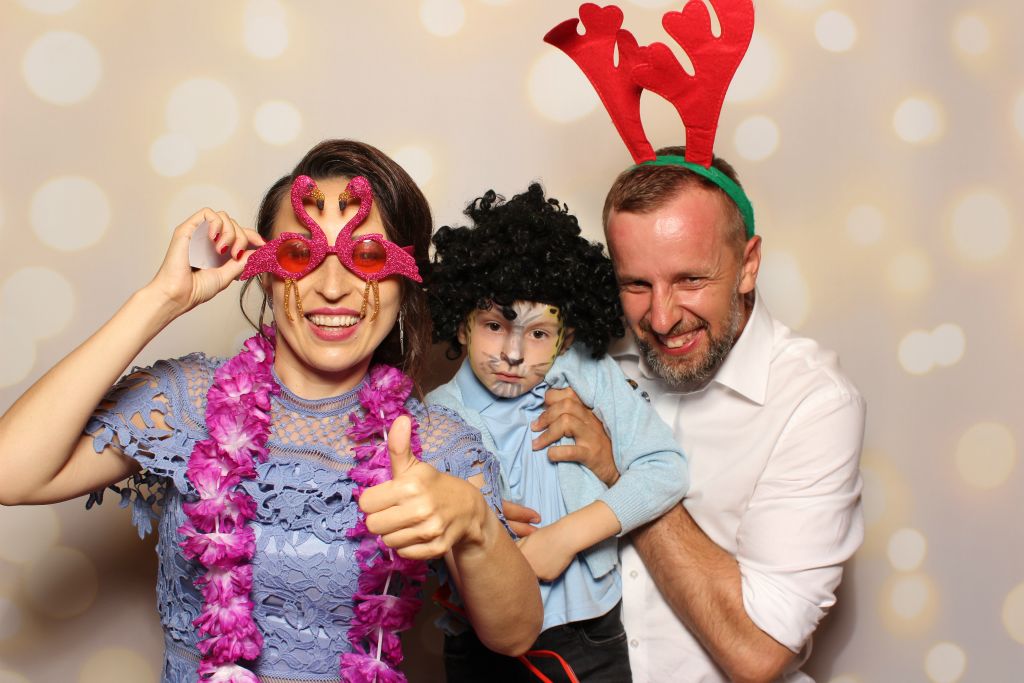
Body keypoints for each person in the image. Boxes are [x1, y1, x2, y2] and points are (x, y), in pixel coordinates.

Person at [0, 139, 542, 683]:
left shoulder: (438, 445)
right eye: (300, 254)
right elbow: (11, 473)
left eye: (369, 257)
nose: (333, 287)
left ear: (406, 280)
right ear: (264, 270)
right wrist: (161, 300)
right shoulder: (188, 401)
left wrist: (476, 523)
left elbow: (514, 635)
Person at [528, 147, 866, 683]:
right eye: (636, 284)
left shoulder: (814, 402)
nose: (662, 318)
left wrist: (621, 471)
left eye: (690, 280)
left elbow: (758, 653)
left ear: (748, 265)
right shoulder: (584, 358)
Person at [424, 183, 688, 682]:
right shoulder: (437, 416)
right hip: (480, 646)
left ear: (566, 337)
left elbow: (665, 469)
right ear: (461, 324)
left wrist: (564, 538)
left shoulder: (588, 373)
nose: (514, 354)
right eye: (495, 326)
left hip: (591, 633)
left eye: (539, 333)